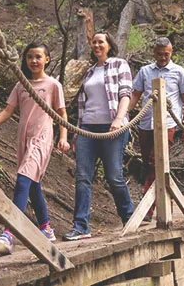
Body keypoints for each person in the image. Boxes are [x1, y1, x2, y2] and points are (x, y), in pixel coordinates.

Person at [0, 42, 70, 256]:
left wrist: (63, 137)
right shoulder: (21, 85)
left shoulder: (53, 85)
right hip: (23, 139)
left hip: (42, 138)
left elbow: (61, 114)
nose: (34, 61)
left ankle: (9, 232)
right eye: (29, 57)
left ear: (47, 59)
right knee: (33, 183)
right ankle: (45, 227)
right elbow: (8, 111)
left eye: (38, 56)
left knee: (23, 180)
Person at [63, 31, 135, 241]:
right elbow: (83, 105)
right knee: (83, 177)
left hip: (112, 126)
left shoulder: (119, 64)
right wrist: (77, 132)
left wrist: (119, 119)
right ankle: (81, 226)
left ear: (109, 45)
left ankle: (129, 217)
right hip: (87, 129)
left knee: (114, 176)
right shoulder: (89, 72)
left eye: (100, 42)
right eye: (93, 42)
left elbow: (125, 94)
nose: (96, 45)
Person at [129, 37, 184, 221]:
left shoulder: (179, 72)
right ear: (154, 53)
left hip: (168, 123)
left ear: (171, 53)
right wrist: (124, 115)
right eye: (159, 54)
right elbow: (135, 95)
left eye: (166, 54)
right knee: (149, 164)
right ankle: (167, 205)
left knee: (155, 162)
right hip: (145, 123)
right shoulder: (145, 71)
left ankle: (147, 210)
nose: (162, 57)